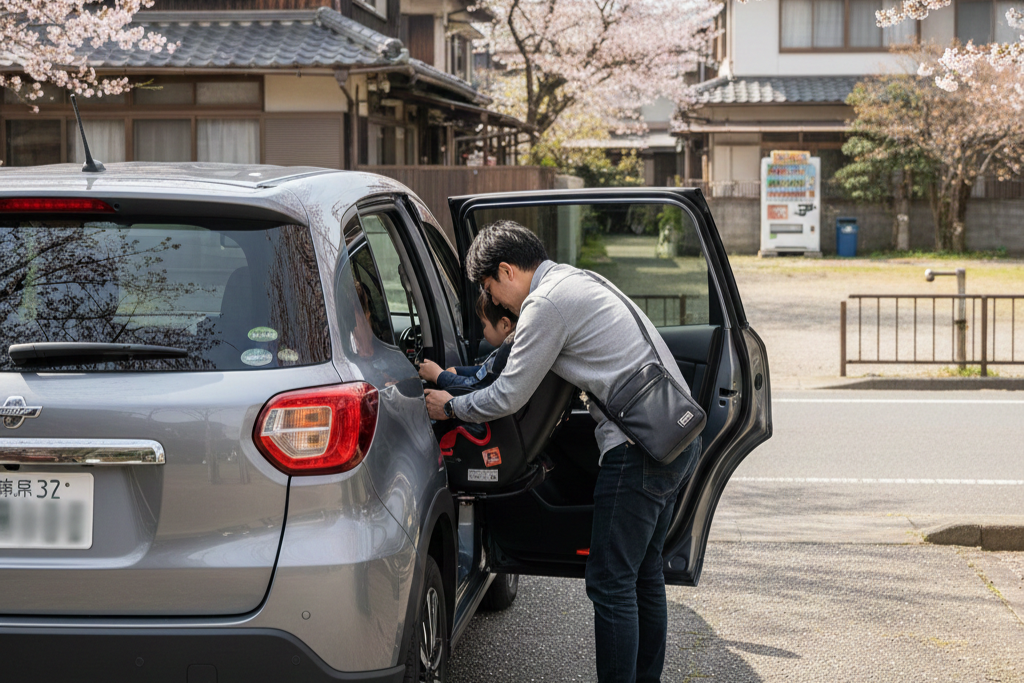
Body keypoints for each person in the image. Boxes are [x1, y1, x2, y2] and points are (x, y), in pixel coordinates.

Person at [424, 220, 702, 683]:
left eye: (491, 289)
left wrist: (450, 406)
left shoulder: (545, 304)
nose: (496, 302)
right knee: (643, 574)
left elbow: (508, 394)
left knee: (611, 582)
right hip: (675, 436)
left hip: (637, 450)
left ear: (507, 270)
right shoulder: (576, 279)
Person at [418, 290, 517, 390]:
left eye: (484, 325)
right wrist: (458, 371)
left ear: (505, 325)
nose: (483, 331)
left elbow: (476, 387)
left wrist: (438, 375)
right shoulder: (510, 348)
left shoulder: (508, 356)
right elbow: (483, 370)